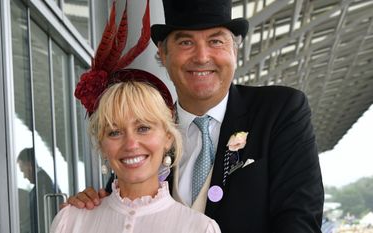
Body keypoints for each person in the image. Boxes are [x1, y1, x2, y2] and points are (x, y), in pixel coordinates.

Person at [67, 0, 325, 232]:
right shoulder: (147, 132)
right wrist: (93, 203)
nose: (202, 57)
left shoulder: (279, 110)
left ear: (234, 51)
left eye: (216, 41)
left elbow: (299, 219)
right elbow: (127, 203)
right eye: (186, 42)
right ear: (163, 53)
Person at [50, 1, 221, 232]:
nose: (130, 144)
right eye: (114, 132)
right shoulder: (70, 221)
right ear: (101, 145)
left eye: (143, 128)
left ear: (168, 137)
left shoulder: (200, 228)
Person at [17, 148, 57, 233]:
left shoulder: (42, 183)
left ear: (29, 166)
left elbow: (41, 217)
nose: (24, 176)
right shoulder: (42, 181)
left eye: (23, 171)